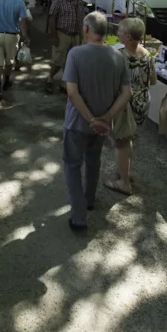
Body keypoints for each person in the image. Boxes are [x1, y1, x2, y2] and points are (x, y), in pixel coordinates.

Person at [62, 12, 132, 231]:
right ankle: (89, 199)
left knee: (73, 166)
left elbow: (72, 92)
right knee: (93, 162)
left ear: (86, 29)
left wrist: (91, 118)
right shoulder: (117, 56)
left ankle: (79, 216)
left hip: (77, 123)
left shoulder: (75, 54)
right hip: (102, 126)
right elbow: (127, 92)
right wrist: (106, 118)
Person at [105, 18, 156, 196]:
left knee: (121, 142)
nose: (117, 34)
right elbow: (153, 81)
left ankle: (124, 183)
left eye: (120, 31)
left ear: (127, 36)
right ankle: (127, 171)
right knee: (129, 137)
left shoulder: (119, 55)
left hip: (125, 103)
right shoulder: (147, 54)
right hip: (142, 102)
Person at [46, 0, 87, 93]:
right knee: (57, 60)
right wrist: (53, 36)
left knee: (72, 61)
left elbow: (81, 17)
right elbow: (52, 17)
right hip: (62, 34)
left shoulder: (79, 0)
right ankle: (50, 78)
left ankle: (65, 83)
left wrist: (82, 35)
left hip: (76, 35)